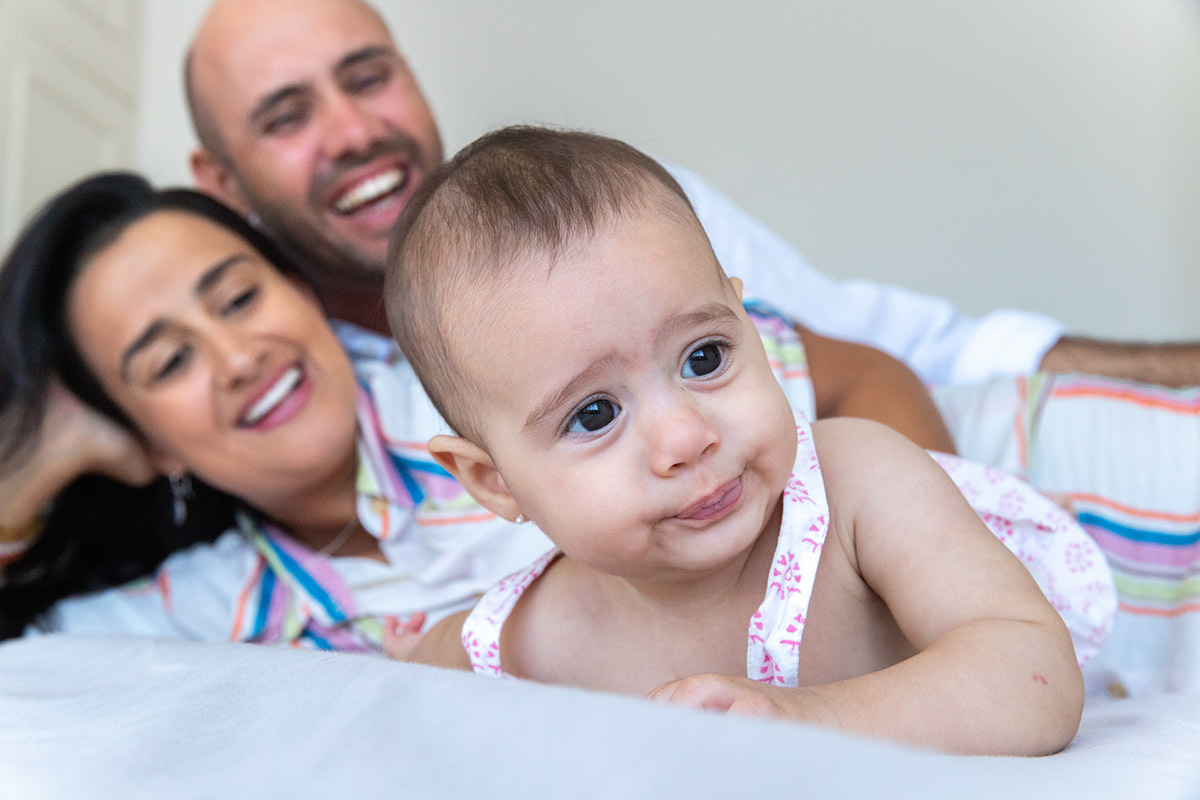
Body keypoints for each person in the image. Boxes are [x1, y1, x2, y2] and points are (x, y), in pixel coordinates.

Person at [381, 126, 1114, 755]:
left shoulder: (858, 486)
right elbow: (404, 690)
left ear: (749, 321)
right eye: (595, 415)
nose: (685, 438)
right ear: (494, 482)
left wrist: (812, 717)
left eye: (705, 358)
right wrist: (407, 658)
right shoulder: (530, 639)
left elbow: (1035, 673)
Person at [184, 0, 1200, 389]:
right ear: (220, 183)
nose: (356, 131)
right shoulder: (256, 377)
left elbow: (904, 351)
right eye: (286, 115)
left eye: (368, 76)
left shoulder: (620, 217)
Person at [0, 172, 552, 642]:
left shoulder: (487, 400)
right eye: (170, 362)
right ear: (154, 444)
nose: (238, 359)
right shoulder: (204, 607)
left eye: (239, 299)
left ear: (303, 295)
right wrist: (31, 468)